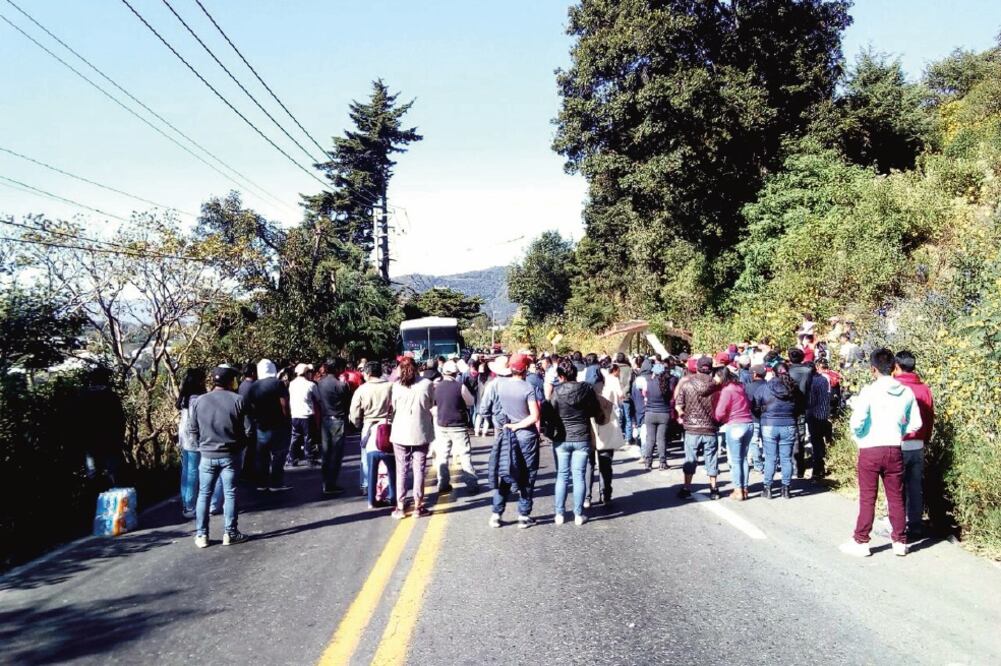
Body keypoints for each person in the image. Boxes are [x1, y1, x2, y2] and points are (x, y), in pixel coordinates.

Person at [840, 348, 922, 557]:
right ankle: (900, 541)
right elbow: (916, 423)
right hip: (895, 447)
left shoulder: (869, 391)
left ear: (873, 369)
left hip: (870, 448)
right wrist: (900, 431)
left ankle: (861, 541)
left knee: (868, 497)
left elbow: (857, 421)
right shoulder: (906, 392)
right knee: (895, 496)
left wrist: (859, 435)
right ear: (894, 367)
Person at [188, 365, 251, 548]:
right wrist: (240, 446)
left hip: (206, 454)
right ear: (231, 381)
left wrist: (201, 445)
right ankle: (230, 533)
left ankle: (201, 535)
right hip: (230, 454)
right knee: (230, 493)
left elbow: (193, 429)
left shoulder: (199, 401)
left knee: (204, 494)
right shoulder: (238, 400)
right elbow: (248, 429)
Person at [484, 353, 541, 528]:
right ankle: (523, 515)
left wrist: (508, 426)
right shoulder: (528, 388)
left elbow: (498, 412)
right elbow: (535, 416)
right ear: (524, 369)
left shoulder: (501, 387)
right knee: (527, 476)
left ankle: (496, 513)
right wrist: (519, 425)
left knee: (506, 473)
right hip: (526, 436)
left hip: (507, 435)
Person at [547, 359, 603, 526]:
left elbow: (550, 415)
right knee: (579, 476)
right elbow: (594, 411)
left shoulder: (556, 392)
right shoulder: (586, 389)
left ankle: (559, 514)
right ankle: (578, 514)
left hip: (561, 438)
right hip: (582, 437)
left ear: (561, 376)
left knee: (562, 476)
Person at [893, 350, 935, 539]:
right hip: (918, 443)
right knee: (915, 486)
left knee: (896, 486)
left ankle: (897, 525)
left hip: (898, 442)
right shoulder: (924, 388)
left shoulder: (895, 387)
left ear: (897, 366)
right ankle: (915, 524)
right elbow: (930, 417)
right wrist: (925, 439)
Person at [389, 357, 436, 519]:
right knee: (419, 469)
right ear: (417, 368)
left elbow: (393, 407)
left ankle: (400, 506)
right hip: (420, 431)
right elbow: (430, 404)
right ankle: (418, 506)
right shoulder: (427, 384)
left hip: (400, 431)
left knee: (401, 469)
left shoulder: (396, 386)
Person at [349, 361, 396, 508]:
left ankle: (370, 495)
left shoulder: (361, 390)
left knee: (369, 463)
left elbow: (355, 413)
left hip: (369, 428)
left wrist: (357, 424)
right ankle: (393, 496)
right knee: (391, 465)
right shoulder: (391, 386)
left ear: (368, 373)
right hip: (388, 427)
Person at [675, 356, 721, 499]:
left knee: (690, 458)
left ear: (697, 368)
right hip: (710, 427)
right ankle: (714, 489)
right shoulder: (716, 387)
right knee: (712, 458)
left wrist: (682, 414)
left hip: (692, 427)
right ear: (710, 368)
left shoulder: (687, 385)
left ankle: (686, 488)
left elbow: (678, 405)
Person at [751, 364, 799, 499]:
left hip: (769, 424)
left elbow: (755, 406)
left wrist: (762, 415)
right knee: (786, 458)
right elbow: (800, 406)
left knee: (770, 458)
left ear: (772, 372)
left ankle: (768, 489)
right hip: (788, 424)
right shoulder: (793, 388)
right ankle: (786, 489)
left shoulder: (764, 388)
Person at [432, 360, 479, 494]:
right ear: (456, 373)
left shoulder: (437, 387)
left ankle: (443, 483)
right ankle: (471, 483)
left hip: (442, 424)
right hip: (458, 425)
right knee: (464, 455)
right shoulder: (460, 386)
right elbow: (470, 401)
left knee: (443, 455)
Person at [246, 359, 292, 492]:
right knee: (278, 454)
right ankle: (276, 482)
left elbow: (250, 406)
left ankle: (262, 482)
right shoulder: (278, 384)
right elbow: (284, 404)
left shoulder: (254, 386)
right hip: (278, 424)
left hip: (262, 425)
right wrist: (287, 419)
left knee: (262, 455)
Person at [78, 367, 126, 488]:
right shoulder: (110, 396)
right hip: (110, 441)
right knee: (114, 473)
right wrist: (119, 438)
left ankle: (97, 502)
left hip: (90, 442)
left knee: (94, 475)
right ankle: (119, 503)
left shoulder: (83, 397)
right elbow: (120, 419)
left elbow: (77, 420)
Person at [177, 368, 214, 519]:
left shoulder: (186, 396)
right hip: (193, 437)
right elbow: (197, 420)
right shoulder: (197, 398)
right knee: (193, 471)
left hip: (184, 435)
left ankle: (186, 503)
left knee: (186, 470)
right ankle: (190, 505)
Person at [714, 366, 753, 500]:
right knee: (744, 459)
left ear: (720, 376)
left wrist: (722, 419)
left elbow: (719, 413)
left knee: (735, 460)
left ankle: (738, 490)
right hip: (748, 423)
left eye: (715, 376)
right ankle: (745, 488)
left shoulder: (726, 390)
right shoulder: (740, 387)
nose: (714, 379)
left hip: (735, 424)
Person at [590, 360, 623, 506]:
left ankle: (587, 496)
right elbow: (618, 402)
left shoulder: (585, 394)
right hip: (608, 429)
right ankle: (606, 494)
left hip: (590, 432)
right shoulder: (610, 386)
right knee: (605, 464)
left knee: (589, 465)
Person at [316, 359, 351, 496]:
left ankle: (325, 482)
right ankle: (331, 483)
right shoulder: (341, 385)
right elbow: (347, 403)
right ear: (336, 368)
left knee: (326, 453)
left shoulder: (320, 384)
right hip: (338, 420)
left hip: (325, 419)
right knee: (336, 454)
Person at [641, 362, 672, 471]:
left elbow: (644, 395)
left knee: (650, 439)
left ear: (653, 372)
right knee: (661, 439)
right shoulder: (668, 384)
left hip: (650, 413)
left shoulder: (647, 383)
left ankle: (648, 462)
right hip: (664, 414)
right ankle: (662, 463)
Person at [806, 362, 834, 482]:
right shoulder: (823, 379)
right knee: (820, 442)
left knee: (816, 442)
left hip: (814, 415)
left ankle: (817, 470)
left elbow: (811, 401)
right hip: (824, 414)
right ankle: (821, 466)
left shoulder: (811, 382)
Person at [288, 364, 318, 466]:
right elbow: (318, 398)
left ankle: (292, 458)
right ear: (306, 373)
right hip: (307, 415)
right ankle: (309, 458)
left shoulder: (291, 384)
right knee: (308, 437)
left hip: (295, 414)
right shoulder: (311, 385)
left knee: (295, 437)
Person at [743, 364, 768, 475]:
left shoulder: (748, 387)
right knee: (768, 443)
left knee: (754, 443)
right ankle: (769, 464)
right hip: (767, 419)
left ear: (754, 374)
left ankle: (758, 465)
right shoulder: (769, 385)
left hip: (753, 418)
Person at [237, 363, 257, 481]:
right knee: (251, 444)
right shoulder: (253, 386)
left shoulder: (242, 385)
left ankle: (246, 469)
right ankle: (247, 470)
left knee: (248, 443)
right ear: (253, 373)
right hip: (250, 417)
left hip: (245, 417)